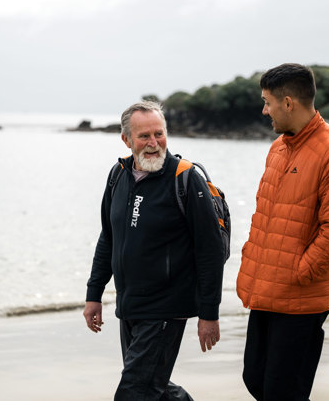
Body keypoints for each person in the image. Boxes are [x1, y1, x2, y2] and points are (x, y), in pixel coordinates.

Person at [83, 101, 225, 401]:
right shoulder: (117, 175)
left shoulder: (185, 178)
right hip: (129, 303)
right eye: (143, 136)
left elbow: (210, 251)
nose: (153, 143)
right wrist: (94, 294)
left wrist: (209, 313)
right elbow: (108, 238)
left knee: (134, 392)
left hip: (166, 307)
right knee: (153, 388)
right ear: (126, 140)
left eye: (159, 134)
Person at [236, 63, 329, 400]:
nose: (264, 110)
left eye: (267, 102)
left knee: (284, 391)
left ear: (288, 102)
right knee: (254, 379)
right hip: (267, 289)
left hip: (301, 295)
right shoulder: (278, 148)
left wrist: (300, 272)